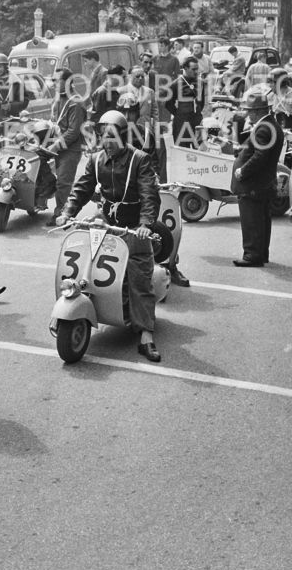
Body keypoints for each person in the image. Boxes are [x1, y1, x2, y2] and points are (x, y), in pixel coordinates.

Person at [57, 110, 162, 362]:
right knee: (86, 258)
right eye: (103, 137)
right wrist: (67, 212)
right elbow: (81, 188)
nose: (107, 142)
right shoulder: (95, 160)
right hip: (106, 218)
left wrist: (146, 224)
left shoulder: (140, 160)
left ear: (123, 137)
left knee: (140, 275)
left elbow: (149, 195)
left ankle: (146, 335)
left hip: (133, 224)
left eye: (112, 137)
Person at [230, 87, 285, 268]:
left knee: (251, 220)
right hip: (263, 183)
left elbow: (260, 156)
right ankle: (261, 254)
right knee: (262, 220)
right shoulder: (270, 125)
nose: (248, 115)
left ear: (261, 111)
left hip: (253, 184)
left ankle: (252, 256)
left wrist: (242, 171)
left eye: (251, 111)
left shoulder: (263, 128)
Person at [46, 68, 88, 226]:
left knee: (63, 182)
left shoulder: (75, 102)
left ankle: (62, 215)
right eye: (53, 80)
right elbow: (54, 121)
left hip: (70, 149)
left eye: (58, 80)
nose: (54, 83)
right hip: (57, 146)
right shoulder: (59, 99)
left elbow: (73, 132)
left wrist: (56, 146)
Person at [170, 56, 204, 149]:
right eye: (193, 69)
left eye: (197, 69)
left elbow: (202, 101)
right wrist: (179, 113)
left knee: (199, 149)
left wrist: (197, 113)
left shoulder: (200, 82)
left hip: (197, 121)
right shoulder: (176, 83)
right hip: (182, 122)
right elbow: (168, 103)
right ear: (185, 68)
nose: (196, 72)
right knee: (182, 150)